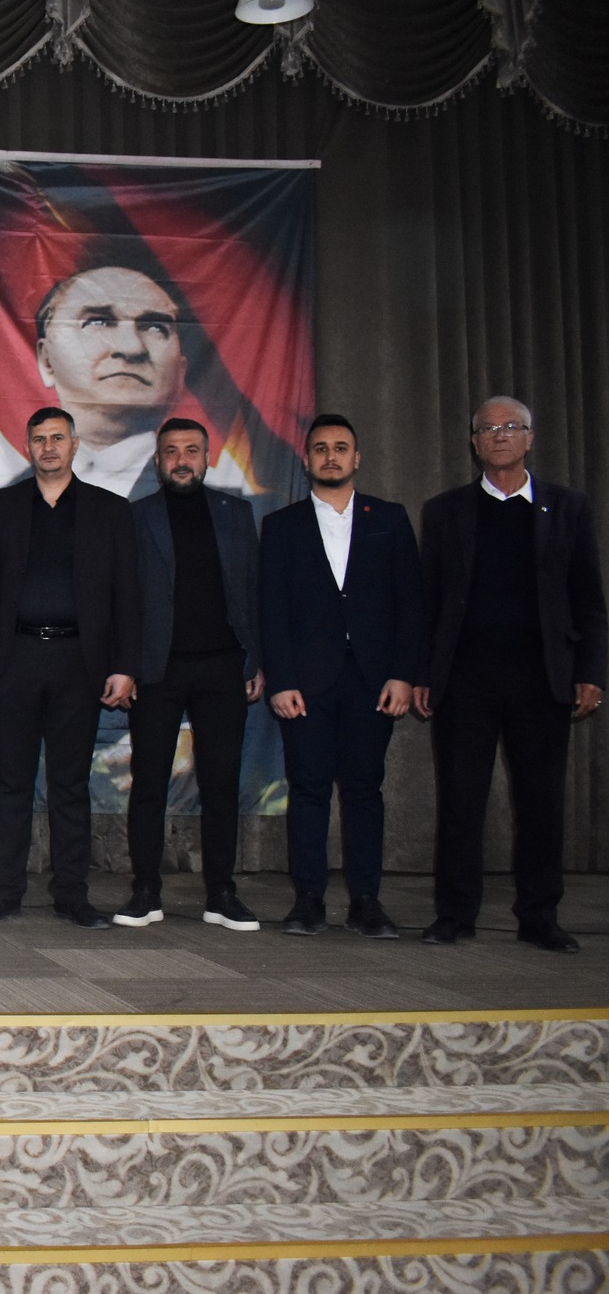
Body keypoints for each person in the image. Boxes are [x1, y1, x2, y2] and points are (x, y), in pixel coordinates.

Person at [416, 396, 606, 954]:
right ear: (473, 443)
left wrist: (591, 671)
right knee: (460, 802)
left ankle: (540, 916)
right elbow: (429, 603)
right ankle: (454, 914)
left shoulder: (568, 507)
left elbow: (589, 600)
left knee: (541, 804)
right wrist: (423, 673)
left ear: (529, 438)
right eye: (488, 428)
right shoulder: (445, 510)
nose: (499, 435)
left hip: (542, 679)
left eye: (511, 426)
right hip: (465, 680)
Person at [0, 407, 139, 929]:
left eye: (57, 438)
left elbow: (128, 596)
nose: (48, 447)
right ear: (27, 446)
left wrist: (125, 665)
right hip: (13, 659)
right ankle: (5, 892)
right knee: (12, 783)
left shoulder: (110, 510)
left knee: (70, 785)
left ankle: (72, 895)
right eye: (39, 439)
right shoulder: (0, 507)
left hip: (78, 662)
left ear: (75, 444)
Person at [257, 414, 421, 938]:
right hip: (306, 684)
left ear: (357, 458)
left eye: (341, 447)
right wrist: (281, 680)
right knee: (308, 789)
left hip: (373, 681)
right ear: (306, 460)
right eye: (321, 448)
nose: (331, 456)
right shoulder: (281, 526)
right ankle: (308, 899)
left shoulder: (389, 519)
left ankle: (366, 900)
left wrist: (403, 674)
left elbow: (411, 605)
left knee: (364, 790)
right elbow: (271, 611)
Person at [118, 417, 264, 933]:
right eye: (172, 451)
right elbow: (123, 599)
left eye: (192, 450)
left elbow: (254, 592)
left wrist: (256, 661)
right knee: (149, 783)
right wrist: (126, 667)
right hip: (156, 670)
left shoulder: (236, 514)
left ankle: (221, 893)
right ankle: (145, 890)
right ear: (158, 461)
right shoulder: (136, 517)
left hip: (223, 667)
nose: (182, 460)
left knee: (221, 783)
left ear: (207, 457)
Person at [35, 264, 193, 498]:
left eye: (155, 327)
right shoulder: (7, 498)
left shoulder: (219, 502)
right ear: (47, 360)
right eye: (98, 322)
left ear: (180, 373)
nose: (132, 347)